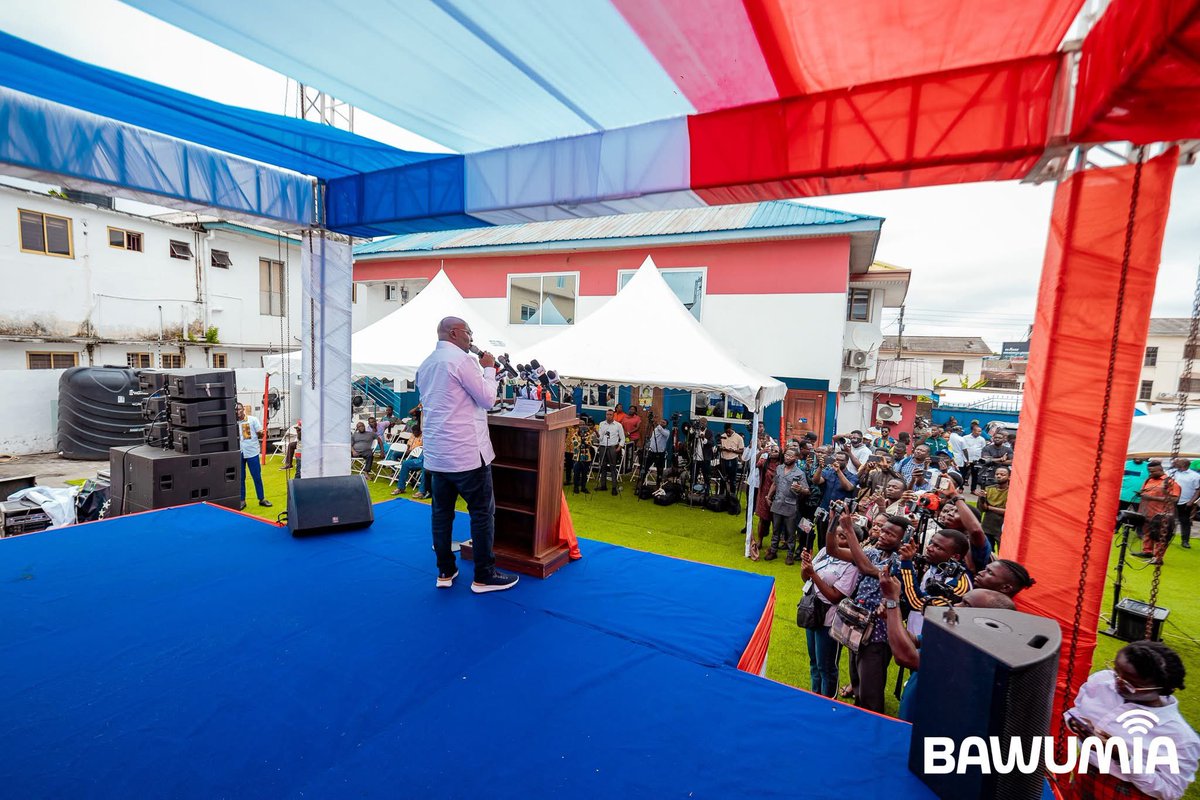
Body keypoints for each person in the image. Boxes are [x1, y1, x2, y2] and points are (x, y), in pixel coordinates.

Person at [416, 316, 519, 593]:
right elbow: (487, 399)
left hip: (438, 454)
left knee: (441, 514)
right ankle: (484, 575)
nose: (471, 339)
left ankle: (445, 571)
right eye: (469, 334)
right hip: (466, 453)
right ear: (456, 332)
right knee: (482, 514)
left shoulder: (425, 364)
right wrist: (488, 369)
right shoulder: (463, 362)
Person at [1064, 641, 1199, 800]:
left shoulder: (1179, 737)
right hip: (1085, 773)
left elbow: (1171, 791)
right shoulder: (1101, 682)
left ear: (1161, 688)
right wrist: (1075, 724)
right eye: (1116, 672)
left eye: (1130, 683)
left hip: (1128, 792)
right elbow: (1076, 710)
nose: (1117, 683)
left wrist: (1123, 758)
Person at [880, 567, 1016, 722]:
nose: (956, 607)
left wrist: (892, 601)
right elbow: (915, 640)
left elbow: (906, 657)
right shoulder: (955, 632)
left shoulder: (974, 654)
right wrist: (889, 618)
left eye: (966, 605)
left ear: (987, 621)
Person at [824, 512, 906, 713]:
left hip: (878, 635)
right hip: (857, 626)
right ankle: (859, 719)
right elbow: (832, 549)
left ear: (903, 540)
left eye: (891, 535)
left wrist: (850, 530)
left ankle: (872, 726)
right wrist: (834, 523)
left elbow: (867, 569)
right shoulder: (873, 552)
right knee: (857, 680)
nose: (884, 536)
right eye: (883, 531)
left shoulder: (900, 562)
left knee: (871, 687)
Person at [800, 524, 861, 697]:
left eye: (843, 537)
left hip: (830, 620)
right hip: (812, 613)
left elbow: (836, 597)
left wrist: (813, 574)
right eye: (836, 535)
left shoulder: (852, 566)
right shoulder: (825, 551)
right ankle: (815, 696)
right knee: (814, 662)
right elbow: (806, 580)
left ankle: (828, 701)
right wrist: (806, 567)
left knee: (826, 666)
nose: (836, 539)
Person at [764, 448, 809, 564]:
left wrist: (801, 489)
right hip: (777, 502)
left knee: (790, 532)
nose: (787, 457)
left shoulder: (799, 473)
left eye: (790, 456)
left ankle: (790, 554)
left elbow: (807, 490)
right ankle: (773, 551)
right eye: (786, 455)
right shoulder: (779, 468)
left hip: (791, 505)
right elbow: (774, 483)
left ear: (796, 458)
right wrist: (769, 496)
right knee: (775, 529)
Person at [1136, 459, 1181, 564]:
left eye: (1153, 472)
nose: (1151, 474)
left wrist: (1151, 498)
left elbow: (1174, 499)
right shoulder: (1149, 480)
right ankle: (1147, 552)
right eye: (1149, 471)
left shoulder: (1169, 482)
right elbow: (1144, 492)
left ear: (1161, 470)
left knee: (1160, 536)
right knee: (1147, 533)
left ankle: (1158, 558)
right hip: (1147, 512)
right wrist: (1141, 494)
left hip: (1162, 514)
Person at [235, 402, 271, 510]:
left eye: (239, 409)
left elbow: (260, 433)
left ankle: (261, 498)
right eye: (236, 410)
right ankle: (242, 500)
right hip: (239, 452)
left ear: (243, 410)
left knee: (256, 476)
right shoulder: (233, 423)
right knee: (241, 477)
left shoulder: (252, 420)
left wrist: (262, 433)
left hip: (252, 452)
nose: (237, 412)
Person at [1167, 457, 1200, 549]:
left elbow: (1198, 490)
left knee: (1185, 522)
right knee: (1170, 520)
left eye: (1178, 463)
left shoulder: (1195, 476)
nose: (1176, 463)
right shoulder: (1172, 472)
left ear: (1184, 465)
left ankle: (1185, 541)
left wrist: (1191, 501)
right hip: (1171, 501)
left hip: (1185, 502)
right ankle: (1167, 537)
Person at [975, 465, 1010, 548]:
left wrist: (990, 508)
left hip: (1003, 528)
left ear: (1009, 477)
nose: (999, 476)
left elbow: (1009, 512)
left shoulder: (1011, 491)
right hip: (987, 526)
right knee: (987, 551)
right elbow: (981, 509)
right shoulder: (988, 489)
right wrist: (982, 499)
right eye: (997, 474)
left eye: (1002, 474)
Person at [390, 424, 428, 498]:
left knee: (425, 468)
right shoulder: (427, 437)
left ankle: (422, 491)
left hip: (430, 460)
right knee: (405, 463)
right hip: (420, 458)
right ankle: (401, 488)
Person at [595, 409, 624, 495]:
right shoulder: (601, 424)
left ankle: (614, 487)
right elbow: (600, 438)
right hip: (603, 446)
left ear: (613, 415)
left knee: (612, 467)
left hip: (612, 447)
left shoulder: (618, 425)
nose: (609, 416)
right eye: (607, 414)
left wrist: (619, 447)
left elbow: (622, 438)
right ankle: (603, 485)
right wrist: (596, 433)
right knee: (602, 466)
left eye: (610, 414)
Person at [643, 417, 671, 487]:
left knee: (659, 470)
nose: (661, 423)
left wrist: (656, 423)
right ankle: (641, 483)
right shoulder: (655, 429)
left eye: (663, 423)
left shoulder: (667, 432)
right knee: (645, 468)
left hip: (660, 454)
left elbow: (662, 431)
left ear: (666, 425)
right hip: (652, 452)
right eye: (661, 422)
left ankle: (658, 485)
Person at [569, 419, 594, 495]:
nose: (582, 426)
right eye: (581, 425)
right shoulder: (575, 434)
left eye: (583, 424)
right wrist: (582, 441)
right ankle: (576, 487)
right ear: (578, 426)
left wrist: (585, 442)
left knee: (584, 473)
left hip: (586, 457)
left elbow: (590, 443)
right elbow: (575, 443)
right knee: (576, 473)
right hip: (577, 457)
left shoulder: (588, 434)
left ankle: (583, 487)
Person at [718, 423, 745, 494]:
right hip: (723, 459)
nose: (727, 434)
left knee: (732, 480)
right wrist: (721, 448)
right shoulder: (722, 436)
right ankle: (721, 495)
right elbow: (718, 446)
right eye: (726, 432)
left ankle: (732, 496)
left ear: (731, 429)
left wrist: (733, 450)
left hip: (733, 460)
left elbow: (742, 450)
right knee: (723, 479)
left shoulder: (739, 438)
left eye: (729, 432)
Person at [962, 422, 989, 490]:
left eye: (980, 431)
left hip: (976, 460)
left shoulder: (982, 439)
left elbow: (983, 449)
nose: (979, 432)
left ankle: (973, 490)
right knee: (963, 474)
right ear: (973, 431)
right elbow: (962, 448)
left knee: (975, 475)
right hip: (966, 459)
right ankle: (960, 488)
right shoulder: (965, 438)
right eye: (978, 431)